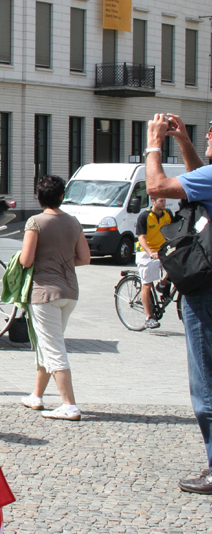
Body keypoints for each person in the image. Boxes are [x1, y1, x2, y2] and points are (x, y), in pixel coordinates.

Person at [145, 113, 212, 494]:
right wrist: (185, 143)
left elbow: (158, 186)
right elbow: (198, 179)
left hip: (205, 290)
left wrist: (155, 142)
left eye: (208, 134)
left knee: (205, 385)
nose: (204, 137)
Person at [19, 175, 91, 421]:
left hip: (44, 292)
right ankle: (36, 396)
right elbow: (84, 258)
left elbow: (26, 260)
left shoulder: (35, 222)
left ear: (38, 197)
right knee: (47, 345)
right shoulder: (73, 222)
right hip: (69, 291)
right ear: (62, 196)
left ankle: (69, 405)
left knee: (53, 347)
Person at [135, 196, 172, 329]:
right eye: (161, 201)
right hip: (146, 252)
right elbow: (141, 238)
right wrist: (151, 253)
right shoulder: (144, 216)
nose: (163, 203)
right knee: (147, 284)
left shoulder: (167, 214)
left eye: (164, 201)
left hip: (162, 250)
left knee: (178, 266)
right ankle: (148, 317)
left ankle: (162, 284)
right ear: (153, 201)